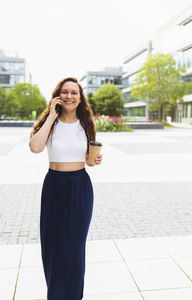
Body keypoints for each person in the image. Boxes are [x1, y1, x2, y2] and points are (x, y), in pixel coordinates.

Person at [29, 77, 103, 300]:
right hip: (54, 186)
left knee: (74, 247)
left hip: (80, 186)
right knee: (54, 246)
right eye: (65, 92)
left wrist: (94, 161)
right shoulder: (50, 122)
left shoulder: (86, 124)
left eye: (74, 92)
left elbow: (88, 161)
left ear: (80, 98)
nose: (70, 96)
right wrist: (52, 116)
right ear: (58, 96)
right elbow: (35, 148)